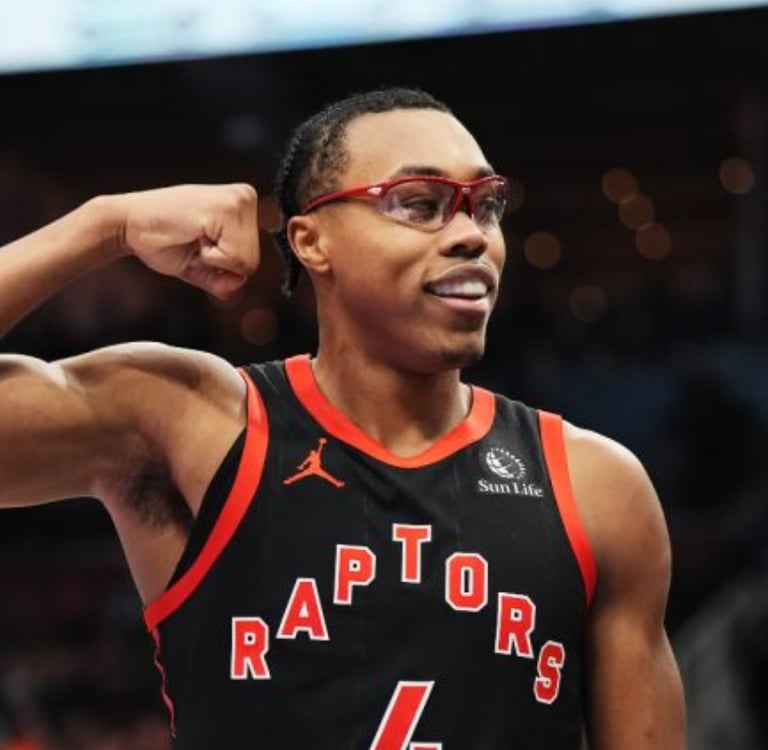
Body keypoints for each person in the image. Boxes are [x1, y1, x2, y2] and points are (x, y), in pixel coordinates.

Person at [0, 87, 685, 748]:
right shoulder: (191, 420)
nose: (470, 236)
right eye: (420, 204)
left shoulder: (597, 485)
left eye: (485, 206)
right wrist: (106, 226)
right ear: (311, 240)